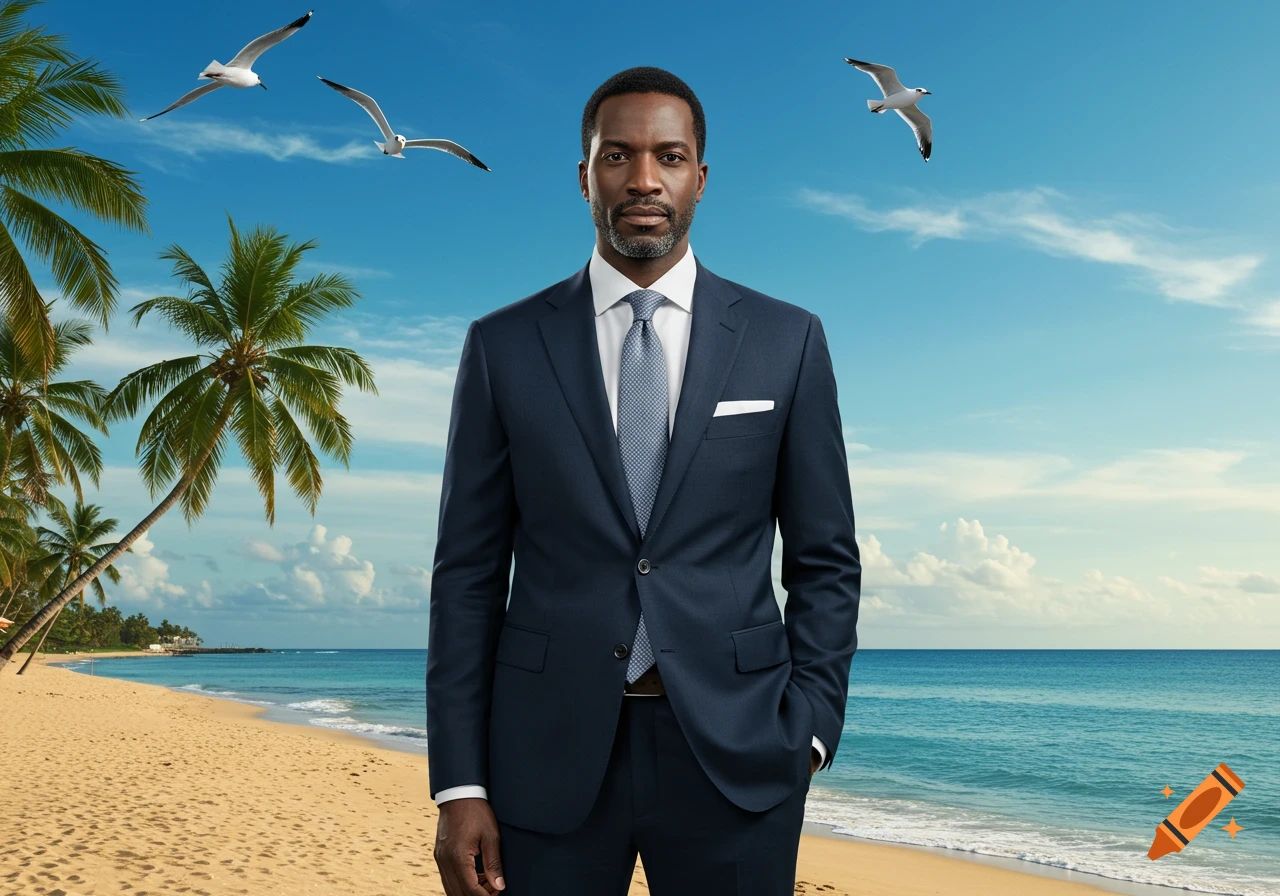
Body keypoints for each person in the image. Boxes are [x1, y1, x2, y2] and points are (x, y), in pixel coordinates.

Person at [427, 65, 860, 896]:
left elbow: (825, 561)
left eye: (668, 155)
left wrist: (808, 731)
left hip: (738, 758)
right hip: (543, 757)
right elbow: (467, 578)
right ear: (584, 176)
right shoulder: (503, 346)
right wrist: (460, 784)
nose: (644, 179)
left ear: (701, 177)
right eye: (617, 156)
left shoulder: (787, 340)